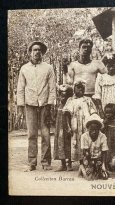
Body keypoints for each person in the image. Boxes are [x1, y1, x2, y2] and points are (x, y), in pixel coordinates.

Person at [17, 41, 56, 171]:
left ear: (42, 52)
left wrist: (50, 104)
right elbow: (21, 88)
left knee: (45, 133)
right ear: (30, 52)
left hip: (44, 104)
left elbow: (52, 88)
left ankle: (46, 162)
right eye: (34, 50)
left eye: (39, 50)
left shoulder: (48, 68)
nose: (37, 52)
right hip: (30, 104)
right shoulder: (24, 68)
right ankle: (32, 162)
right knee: (31, 134)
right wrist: (20, 106)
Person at [67, 39, 107, 116]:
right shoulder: (73, 65)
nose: (86, 49)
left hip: (94, 96)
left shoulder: (97, 63)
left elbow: (107, 77)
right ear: (79, 49)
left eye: (89, 47)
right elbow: (70, 82)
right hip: (78, 97)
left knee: (94, 119)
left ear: (91, 50)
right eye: (84, 47)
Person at [63, 80, 97, 163]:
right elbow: (67, 114)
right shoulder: (70, 100)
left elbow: (93, 112)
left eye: (82, 88)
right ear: (74, 89)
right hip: (76, 125)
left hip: (86, 124)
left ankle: (87, 159)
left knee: (87, 140)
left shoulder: (88, 100)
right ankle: (79, 160)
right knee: (76, 141)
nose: (81, 90)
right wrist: (68, 126)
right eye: (78, 88)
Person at [93, 53, 115, 117]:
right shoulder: (101, 78)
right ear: (105, 66)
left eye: (114, 66)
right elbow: (98, 95)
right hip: (104, 105)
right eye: (109, 66)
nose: (111, 68)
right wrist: (101, 111)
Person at [79, 113, 109, 180]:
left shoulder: (103, 136)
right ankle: (82, 167)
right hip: (88, 158)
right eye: (91, 130)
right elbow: (85, 152)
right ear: (88, 128)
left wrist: (103, 164)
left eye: (96, 130)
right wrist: (90, 165)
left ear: (99, 129)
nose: (94, 132)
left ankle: (97, 169)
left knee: (105, 177)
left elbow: (104, 152)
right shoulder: (84, 136)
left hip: (98, 159)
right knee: (89, 178)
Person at [53, 84, 73, 171]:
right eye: (61, 95)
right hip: (59, 129)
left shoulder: (70, 105)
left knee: (69, 144)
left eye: (65, 96)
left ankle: (69, 163)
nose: (63, 98)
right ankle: (63, 164)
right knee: (60, 143)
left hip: (67, 129)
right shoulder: (59, 106)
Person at [102, 103, 115, 171]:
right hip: (108, 138)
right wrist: (105, 123)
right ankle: (107, 165)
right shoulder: (105, 121)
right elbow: (102, 130)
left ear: (114, 113)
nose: (108, 114)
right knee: (108, 151)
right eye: (106, 113)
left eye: (110, 113)